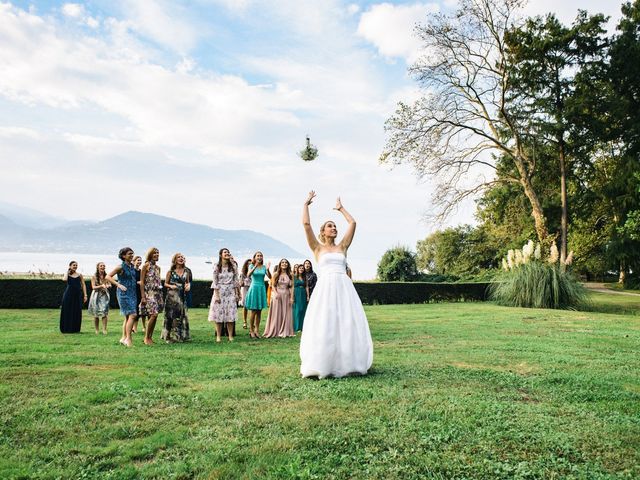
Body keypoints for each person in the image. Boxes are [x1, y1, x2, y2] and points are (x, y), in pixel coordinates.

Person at [299, 191, 373, 378]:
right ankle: (324, 362)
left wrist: (341, 209)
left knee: (347, 323)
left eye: (335, 226)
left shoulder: (342, 247)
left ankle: (348, 362)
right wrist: (305, 205)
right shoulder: (317, 248)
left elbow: (353, 223)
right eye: (330, 226)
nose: (334, 228)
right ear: (323, 232)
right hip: (325, 289)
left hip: (344, 288)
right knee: (325, 323)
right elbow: (306, 225)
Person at [106, 248, 138, 347]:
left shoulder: (132, 266)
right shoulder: (120, 267)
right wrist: (118, 285)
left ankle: (123, 338)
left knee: (128, 316)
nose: (132, 255)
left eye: (132, 254)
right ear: (123, 256)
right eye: (129, 254)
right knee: (133, 315)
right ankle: (128, 339)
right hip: (123, 294)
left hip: (132, 293)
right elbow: (108, 276)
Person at [208, 248, 239, 342]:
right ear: (221, 254)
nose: (227, 253)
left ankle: (230, 336)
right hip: (220, 291)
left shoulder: (233, 266)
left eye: (228, 252)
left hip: (230, 291)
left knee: (230, 314)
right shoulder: (217, 266)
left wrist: (237, 293)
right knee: (218, 315)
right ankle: (218, 336)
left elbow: (235, 281)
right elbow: (215, 281)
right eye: (225, 252)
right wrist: (217, 295)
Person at [162, 253, 191, 343]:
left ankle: (179, 336)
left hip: (182, 296)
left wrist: (188, 286)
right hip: (171, 297)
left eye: (183, 257)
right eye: (179, 257)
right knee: (170, 316)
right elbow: (165, 284)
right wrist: (171, 286)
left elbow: (187, 282)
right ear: (175, 260)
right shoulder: (170, 272)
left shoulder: (187, 271)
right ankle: (168, 337)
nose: (181, 258)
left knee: (181, 316)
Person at [263, 259, 294, 338]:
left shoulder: (290, 274)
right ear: (280, 264)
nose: (284, 264)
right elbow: (273, 285)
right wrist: (276, 293)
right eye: (282, 262)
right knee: (276, 313)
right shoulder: (275, 274)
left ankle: (285, 330)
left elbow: (292, 287)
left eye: (286, 262)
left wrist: (291, 297)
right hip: (277, 296)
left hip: (286, 295)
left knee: (285, 313)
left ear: (288, 264)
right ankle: (275, 330)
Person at [243, 251, 271, 339]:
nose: (259, 257)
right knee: (253, 311)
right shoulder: (251, 266)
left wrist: (268, 269)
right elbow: (248, 275)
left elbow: (270, 277)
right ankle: (251, 330)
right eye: (258, 256)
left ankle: (257, 330)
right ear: (254, 257)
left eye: (261, 256)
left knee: (259, 311)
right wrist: (255, 266)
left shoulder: (264, 267)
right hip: (254, 288)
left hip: (261, 288)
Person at [139, 247, 164, 346]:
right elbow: (142, 282)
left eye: (158, 253)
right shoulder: (145, 266)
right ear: (150, 254)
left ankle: (150, 337)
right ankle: (146, 338)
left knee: (155, 315)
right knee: (153, 314)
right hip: (148, 293)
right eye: (155, 253)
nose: (157, 255)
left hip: (157, 293)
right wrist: (143, 296)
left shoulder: (158, 268)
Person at [60, 260, 87, 333]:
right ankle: (66, 328)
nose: (75, 266)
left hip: (77, 295)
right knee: (67, 310)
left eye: (76, 265)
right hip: (68, 295)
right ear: (70, 266)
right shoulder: (67, 275)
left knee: (76, 311)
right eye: (74, 265)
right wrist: (67, 272)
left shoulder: (79, 275)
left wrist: (85, 295)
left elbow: (83, 285)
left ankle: (75, 329)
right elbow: (64, 279)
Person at [88, 262, 110, 334]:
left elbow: (109, 284)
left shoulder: (107, 276)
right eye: (101, 266)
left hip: (104, 295)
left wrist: (108, 286)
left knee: (104, 312)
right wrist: (101, 286)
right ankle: (97, 330)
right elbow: (93, 287)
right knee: (96, 313)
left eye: (104, 266)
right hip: (96, 295)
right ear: (97, 267)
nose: (103, 267)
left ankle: (104, 329)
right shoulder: (94, 276)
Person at [292, 264, 309, 332]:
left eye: (302, 268)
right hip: (297, 293)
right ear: (297, 269)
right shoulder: (294, 276)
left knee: (303, 310)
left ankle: (302, 327)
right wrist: (292, 296)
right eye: (300, 268)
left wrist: (308, 296)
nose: (301, 269)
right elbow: (292, 287)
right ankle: (296, 327)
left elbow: (307, 287)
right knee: (297, 310)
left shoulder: (305, 277)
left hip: (303, 293)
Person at [238, 259, 253, 329]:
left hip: (253, 289)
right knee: (245, 306)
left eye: (251, 264)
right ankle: (245, 321)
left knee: (253, 307)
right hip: (245, 289)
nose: (249, 265)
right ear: (246, 265)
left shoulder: (254, 272)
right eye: (248, 264)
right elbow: (240, 284)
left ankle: (252, 323)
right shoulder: (243, 273)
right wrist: (242, 282)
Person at [132, 255, 145, 334]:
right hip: (133, 291)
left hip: (140, 291)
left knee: (139, 309)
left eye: (140, 260)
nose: (139, 262)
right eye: (138, 260)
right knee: (134, 310)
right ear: (133, 261)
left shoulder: (141, 271)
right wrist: (137, 282)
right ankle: (133, 327)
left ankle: (137, 327)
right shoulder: (132, 271)